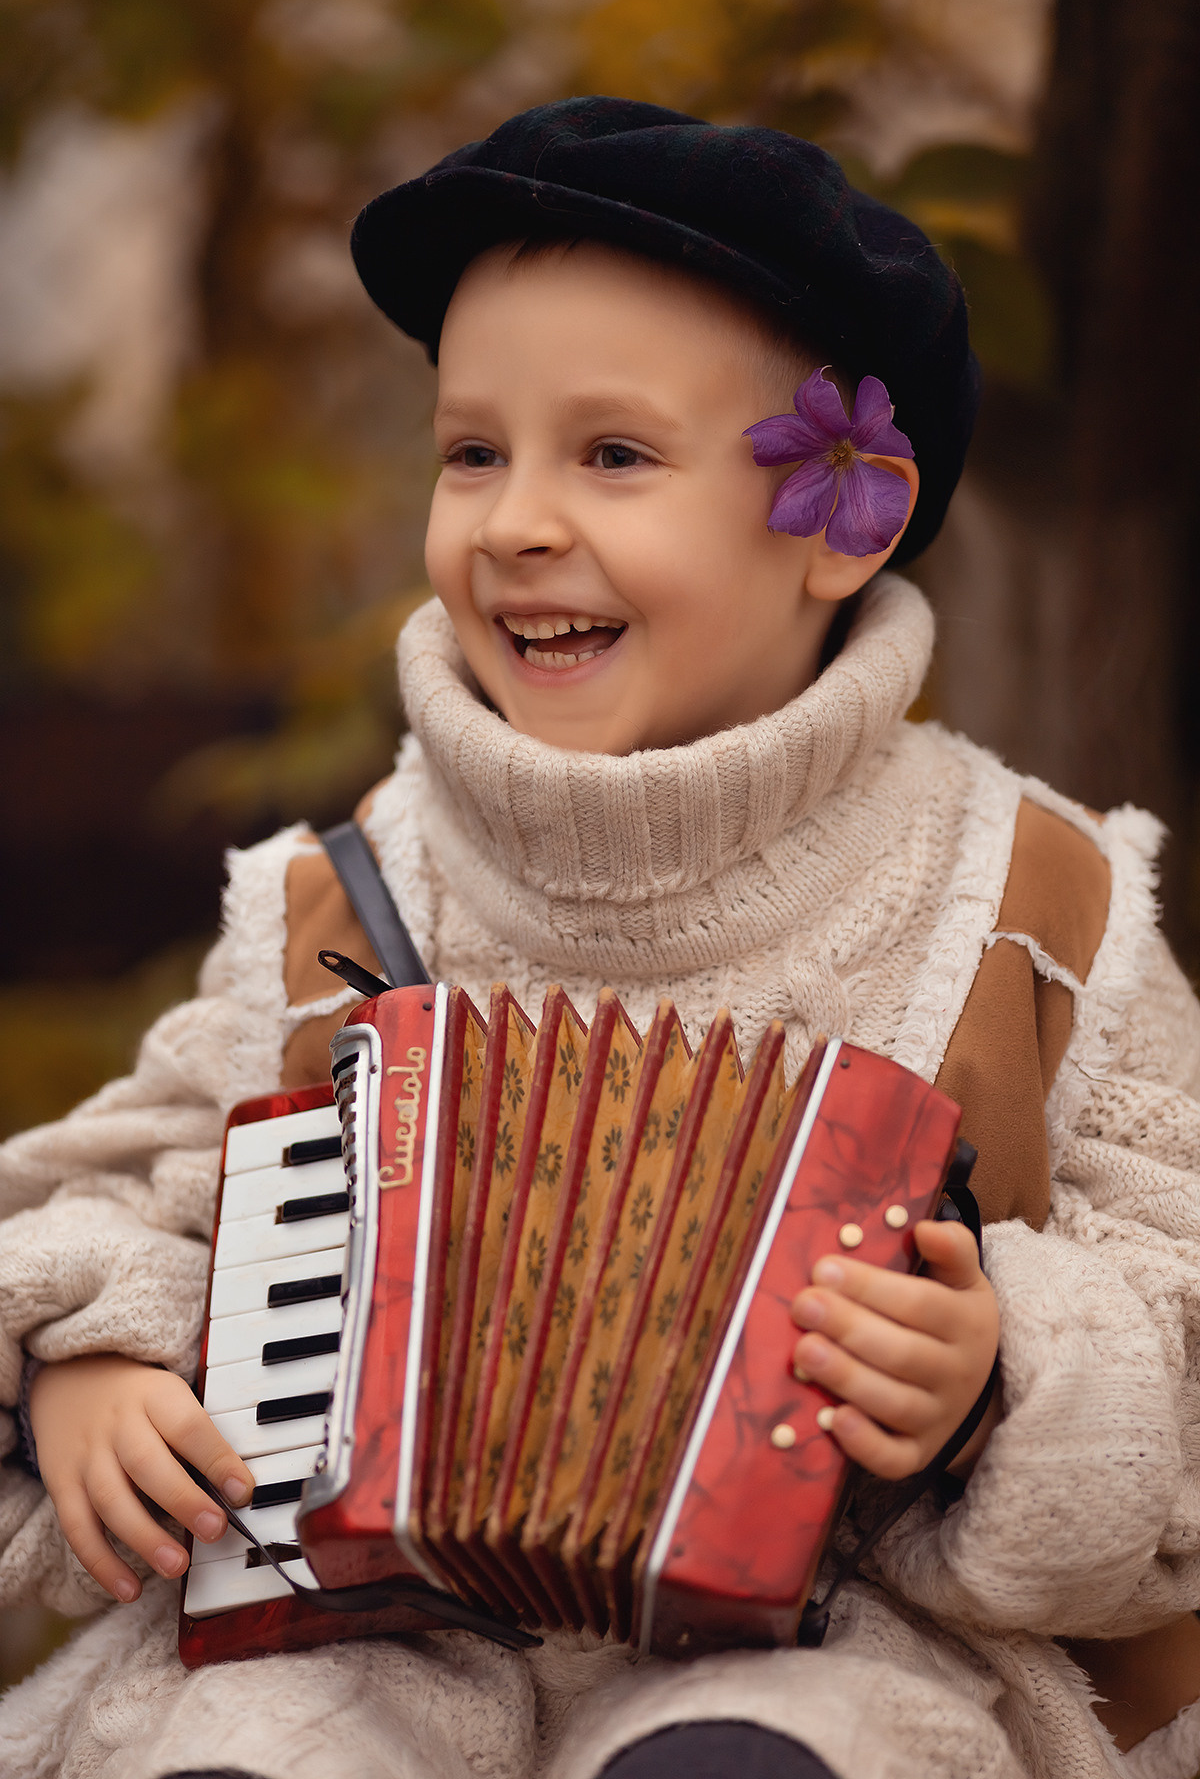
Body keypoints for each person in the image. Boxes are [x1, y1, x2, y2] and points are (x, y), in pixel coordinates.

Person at [1, 96, 1199, 1779]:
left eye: (613, 455)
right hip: (358, 1632)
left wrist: (1005, 1370)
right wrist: (84, 1365)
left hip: (835, 1653)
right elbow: (120, 1192)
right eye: (472, 450)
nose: (514, 521)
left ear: (842, 521)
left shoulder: (1029, 899)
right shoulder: (345, 891)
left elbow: (1178, 1277)